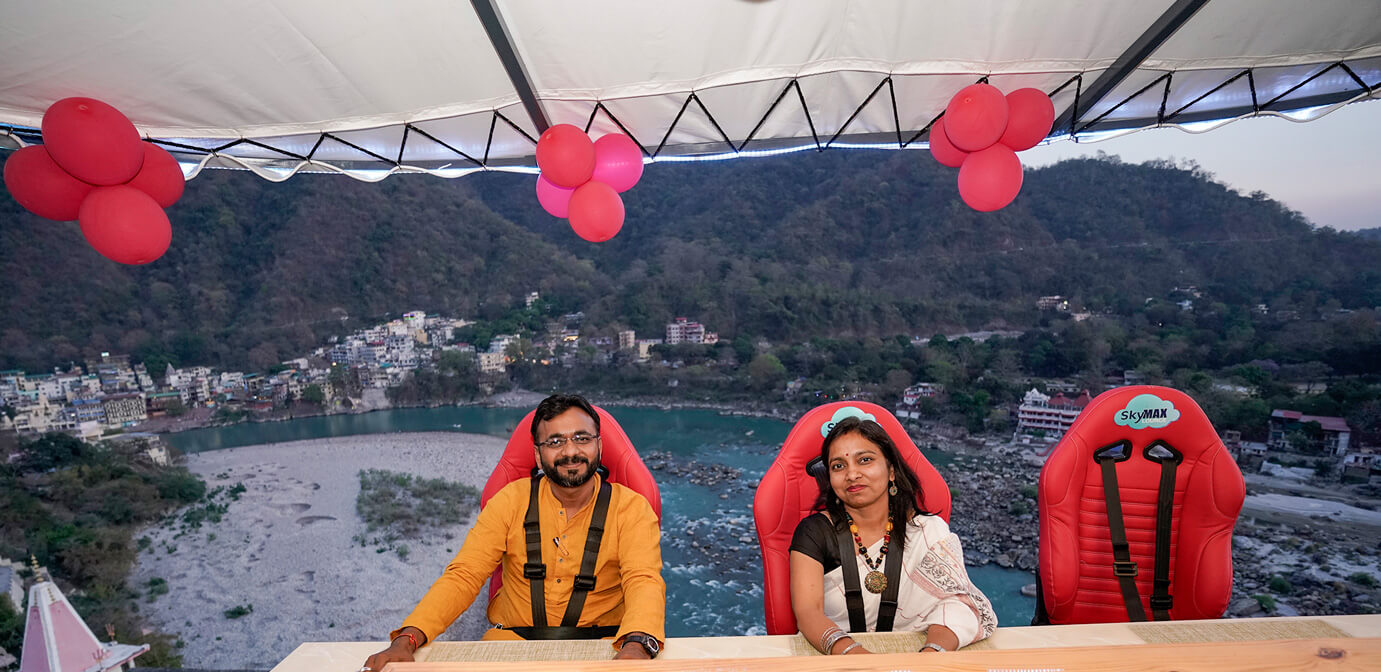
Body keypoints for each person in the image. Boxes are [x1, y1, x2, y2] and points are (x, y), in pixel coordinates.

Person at [362, 394, 665, 669]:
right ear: (538, 455)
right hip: (510, 646)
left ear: (599, 446)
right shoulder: (509, 501)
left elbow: (643, 580)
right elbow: (465, 574)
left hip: (603, 647)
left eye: (582, 438)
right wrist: (408, 639)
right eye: (555, 442)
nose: (570, 451)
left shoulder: (632, 508)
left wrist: (636, 647)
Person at [788, 416, 997, 655]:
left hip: (917, 655)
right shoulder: (813, 532)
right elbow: (809, 613)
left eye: (865, 460)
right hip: (836, 657)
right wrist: (858, 659)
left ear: (891, 471)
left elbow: (958, 605)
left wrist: (931, 655)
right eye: (838, 466)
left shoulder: (927, 531)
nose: (852, 474)